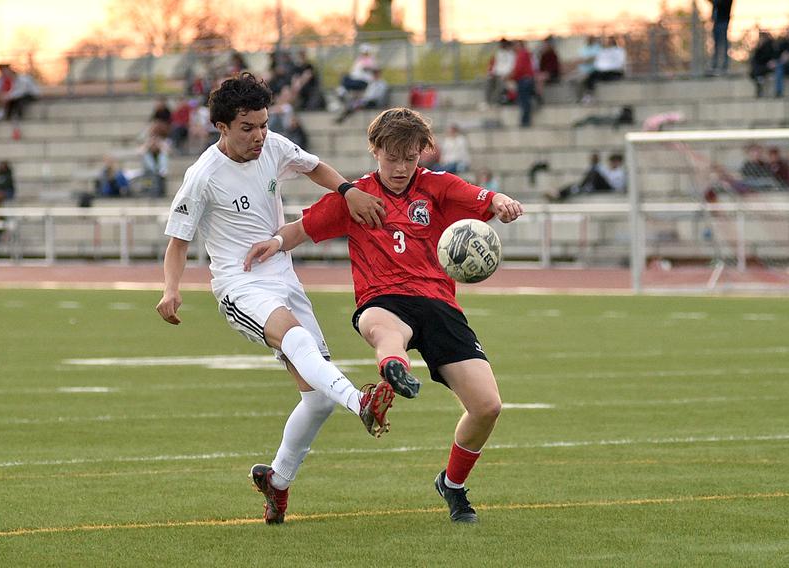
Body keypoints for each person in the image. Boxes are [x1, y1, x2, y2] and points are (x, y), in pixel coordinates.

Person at [243, 107, 524, 523]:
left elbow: (482, 197)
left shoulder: (437, 187)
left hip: (439, 305)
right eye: (393, 157)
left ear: (422, 154)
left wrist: (502, 203)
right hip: (384, 297)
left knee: (487, 406)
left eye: (410, 158)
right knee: (384, 327)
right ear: (375, 150)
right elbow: (303, 227)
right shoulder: (356, 195)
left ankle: (452, 484)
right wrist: (274, 242)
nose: (401, 167)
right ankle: (394, 368)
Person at [155, 73, 410, 525]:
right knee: (296, 341)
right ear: (222, 127)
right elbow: (178, 241)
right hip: (240, 284)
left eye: (264, 124)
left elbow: (313, 166)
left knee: (316, 400)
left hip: (283, 276)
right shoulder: (202, 177)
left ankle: (277, 481)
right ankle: (361, 403)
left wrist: (347, 191)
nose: (259, 136)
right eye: (247, 128)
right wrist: (171, 289)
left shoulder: (274, 147)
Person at [547, 152, 626, 201]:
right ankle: (560, 192)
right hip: (601, 186)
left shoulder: (620, 172)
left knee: (594, 172)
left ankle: (583, 187)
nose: (612, 163)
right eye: (611, 161)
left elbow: (616, 186)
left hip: (611, 189)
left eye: (614, 161)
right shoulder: (608, 170)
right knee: (575, 185)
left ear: (619, 162)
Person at [581, 36, 626, 103]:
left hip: (614, 71)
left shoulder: (619, 50)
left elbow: (619, 63)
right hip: (602, 72)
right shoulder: (602, 51)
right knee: (590, 78)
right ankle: (588, 95)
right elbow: (598, 64)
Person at [509, 40, 536, 127]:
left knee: (525, 102)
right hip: (525, 80)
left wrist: (511, 76)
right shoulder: (523, 54)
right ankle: (525, 121)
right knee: (524, 101)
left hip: (524, 81)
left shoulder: (522, 54)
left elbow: (519, 70)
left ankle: (525, 121)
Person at [485, 38, 515, 106]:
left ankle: (496, 101)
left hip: (505, 75)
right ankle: (487, 101)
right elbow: (495, 66)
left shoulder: (511, 54)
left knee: (500, 82)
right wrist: (491, 73)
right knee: (489, 80)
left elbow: (511, 67)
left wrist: (506, 75)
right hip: (497, 74)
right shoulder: (498, 53)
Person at [708, 0, 733, 74]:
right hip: (718, 21)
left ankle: (723, 66)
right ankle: (716, 65)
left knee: (723, 44)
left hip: (723, 21)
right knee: (716, 44)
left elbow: (719, 3)